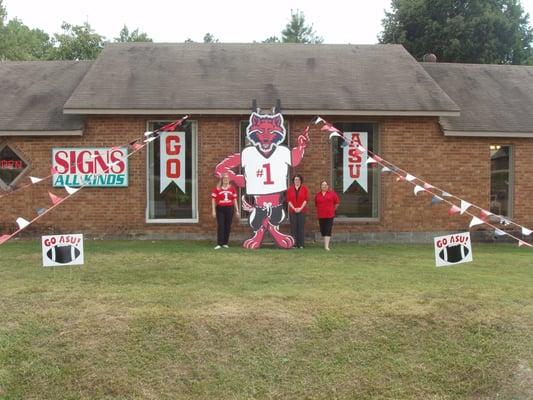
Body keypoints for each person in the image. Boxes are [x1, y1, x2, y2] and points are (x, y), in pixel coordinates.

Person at [211, 174, 239, 249]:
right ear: (222, 180)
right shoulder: (217, 189)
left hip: (229, 208)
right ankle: (219, 243)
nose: (226, 180)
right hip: (220, 208)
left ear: (229, 180)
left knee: (227, 225)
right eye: (224, 178)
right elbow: (213, 200)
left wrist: (237, 210)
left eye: (227, 178)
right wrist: (213, 211)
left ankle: (225, 243)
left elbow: (234, 200)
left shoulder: (232, 188)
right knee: (221, 225)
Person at [314, 180, 340, 251]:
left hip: (329, 215)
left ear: (328, 186)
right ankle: (325, 243)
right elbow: (316, 204)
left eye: (325, 185)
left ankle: (326, 246)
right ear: (320, 186)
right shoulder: (318, 195)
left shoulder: (332, 194)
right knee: (323, 230)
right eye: (322, 185)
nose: (324, 186)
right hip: (321, 215)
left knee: (328, 230)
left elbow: (337, 203)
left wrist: (332, 210)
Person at [287, 174, 308, 248]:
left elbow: (305, 200)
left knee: (301, 228)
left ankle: (301, 244)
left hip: (302, 211)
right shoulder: (290, 189)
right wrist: (294, 208)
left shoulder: (304, 189)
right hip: (292, 211)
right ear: (293, 181)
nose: (297, 181)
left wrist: (300, 208)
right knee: (293, 228)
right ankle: (294, 244)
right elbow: (289, 201)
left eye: (298, 179)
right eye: (295, 180)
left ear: (301, 180)